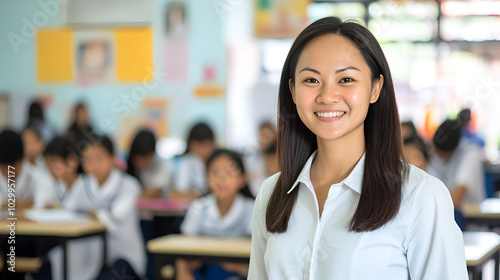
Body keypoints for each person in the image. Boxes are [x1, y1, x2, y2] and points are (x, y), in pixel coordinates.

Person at [248, 17, 467, 279]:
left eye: (346, 79)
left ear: (375, 88)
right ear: (293, 91)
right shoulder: (272, 193)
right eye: (311, 80)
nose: (327, 96)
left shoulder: (420, 195)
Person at [45, 134, 145, 279]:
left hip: (123, 253)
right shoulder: (83, 183)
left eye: (99, 158)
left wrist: (93, 213)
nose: (94, 165)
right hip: (89, 255)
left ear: (112, 158)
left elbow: (115, 216)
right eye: (88, 160)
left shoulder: (129, 185)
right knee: (49, 266)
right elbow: (67, 212)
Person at [177, 149, 254, 280]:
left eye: (229, 173)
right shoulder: (198, 207)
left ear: (242, 178)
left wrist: (236, 266)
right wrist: (183, 273)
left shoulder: (252, 209)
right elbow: (183, 251)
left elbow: (256, 258)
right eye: (215, 173)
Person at [427, 111, 485, 207]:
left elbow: (457, 197)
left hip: (469, 218)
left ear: (453, 150)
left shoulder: (470, 153)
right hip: (444, 214)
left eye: (440, 153)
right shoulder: (435, 154)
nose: (436, 155)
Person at [0, 129, 51, 210]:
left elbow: (42, 205)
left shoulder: (37, 177)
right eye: (3, 167)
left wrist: (6, 204)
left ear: (21, 161)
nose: (7, 171)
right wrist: (20, 204)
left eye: (11, 166)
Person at [172, 122, 216, 199]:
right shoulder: (188, 162)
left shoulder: (218, 161)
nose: (205, 150)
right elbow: (176, 194)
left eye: (208, 144)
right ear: (190, 145)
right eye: (200, 145)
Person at [127, 129, 174, 198]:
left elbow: (155, 190)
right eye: (139, 160)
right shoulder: (127, 166)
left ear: (153, 153)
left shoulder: (165, 165)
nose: (142, 163)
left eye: (146, 159)